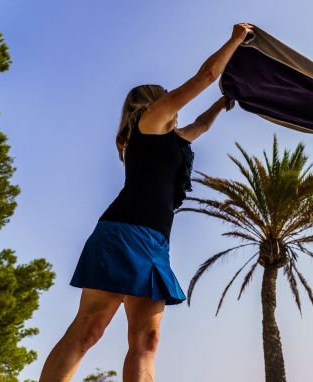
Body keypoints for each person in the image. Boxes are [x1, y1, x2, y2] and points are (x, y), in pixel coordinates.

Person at [38, 22, 254, 382]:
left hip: (156, 244)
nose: (175, 101)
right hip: (123, 233)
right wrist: (235, 39)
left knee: (147, 341)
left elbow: (200, 125)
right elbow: (207, 74)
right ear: (156, 100)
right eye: (169, 95)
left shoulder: (174, 139)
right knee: (90, 330)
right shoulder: (151, 121)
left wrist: (222, 102)